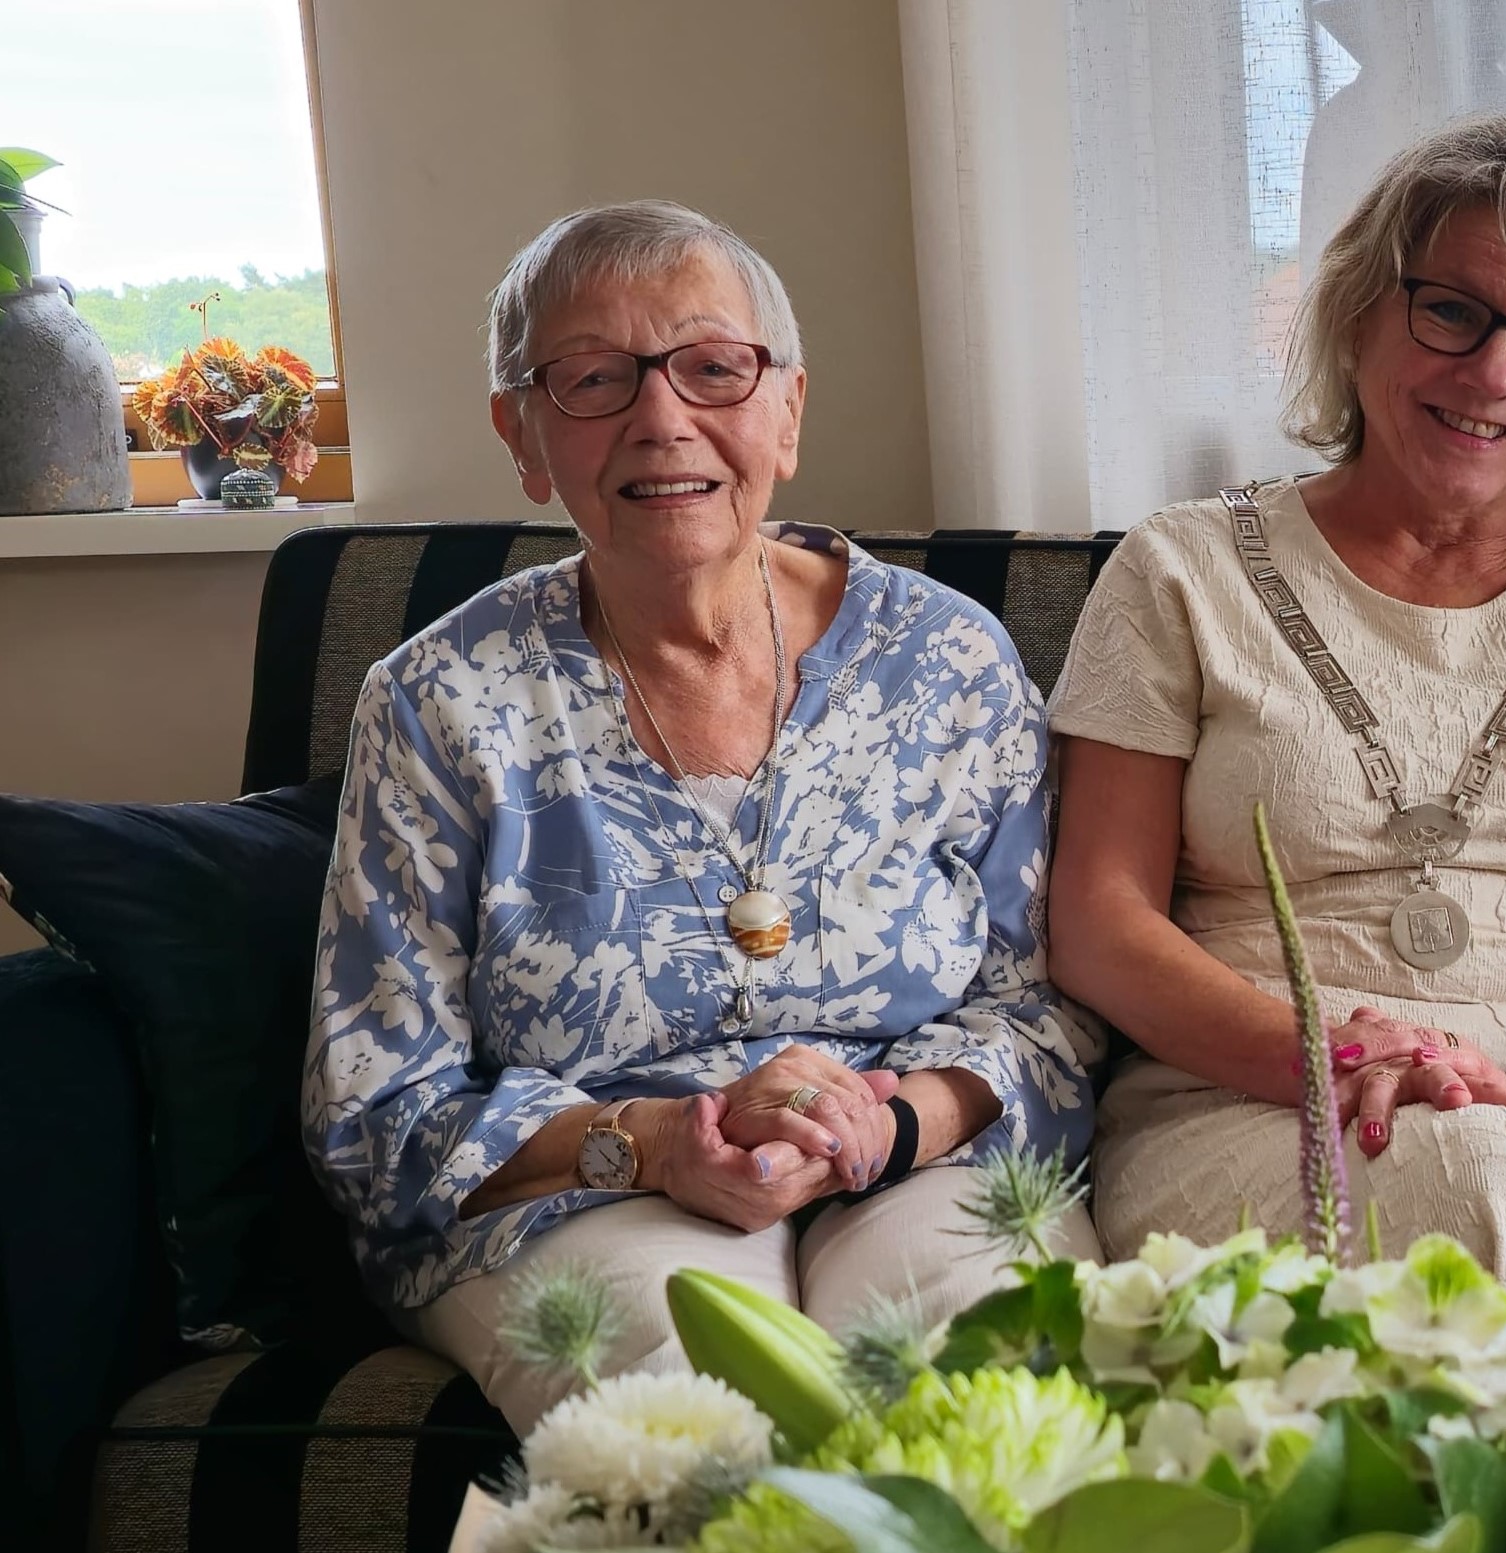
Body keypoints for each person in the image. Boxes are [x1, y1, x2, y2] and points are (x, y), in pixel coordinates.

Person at [301, 200, 1097, 1433]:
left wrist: (887, 1121)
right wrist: (654, 1140)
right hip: (587, 1189)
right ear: (522, 435)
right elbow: (373, 1106)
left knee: (986, 1392)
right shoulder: (436, 699)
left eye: (713, 367)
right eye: (593, 380)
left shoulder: (950, 660)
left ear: (786, 407)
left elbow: (1048, 1005)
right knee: (689, 1433)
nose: (661, 418)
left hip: (911, 1160)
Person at [1046, 114, 1506, 1381]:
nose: (1494, 373)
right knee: (1466, 1201)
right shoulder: (1180, 567)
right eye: (1451, 311)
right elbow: (1098, 916)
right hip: (1254, 1113)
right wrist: (1330, 1053)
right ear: (1356, 317)